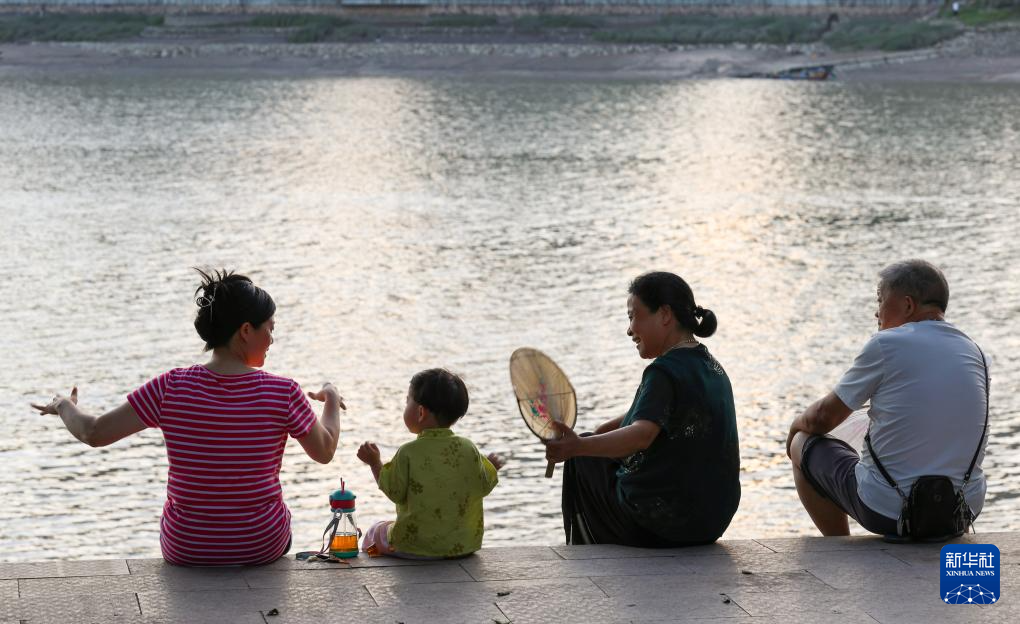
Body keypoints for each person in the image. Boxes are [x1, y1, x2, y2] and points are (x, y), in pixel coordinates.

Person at [32, 269, 344, 565]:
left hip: (187, 546)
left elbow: (93, 432)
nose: (272, 339)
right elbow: (325, 450)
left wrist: (63, 405)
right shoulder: (283, 392)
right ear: (246, 330)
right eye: (270, 329)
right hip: (260, 544)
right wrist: (330, 397)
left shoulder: (170, 387)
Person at [787, 260, 989, 537]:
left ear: (907, 305)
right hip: (962, 508)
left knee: (802, 441)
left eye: (880, 300)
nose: (876, 312)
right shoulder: (976, 353)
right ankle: (942, 530)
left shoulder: (887, 343)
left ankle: (837, 546)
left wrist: (794, 428)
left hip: (890, 512)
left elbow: (823, 418)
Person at [544, 272, 740, 547]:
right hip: (710, 521)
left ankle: (584, 550)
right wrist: (594, 437)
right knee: (591, 447)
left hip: (662, 524)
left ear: (665, 314)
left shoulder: (663, 371)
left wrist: (577, 448)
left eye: (632, 317)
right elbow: (652, 416)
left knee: (581, 460)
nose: (629, 330)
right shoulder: (711, 366)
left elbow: (642, 434)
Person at [357, 368, 504, 559]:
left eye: (407, 401)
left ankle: (372, 561)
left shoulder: (408, 452)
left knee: (375, 531)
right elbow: (483, 484)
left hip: (415, 547)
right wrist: (491, 467)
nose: (405, 406)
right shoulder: (469, 448)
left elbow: (395, 492)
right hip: (463, 546)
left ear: (420, 412)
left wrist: (374, 463)